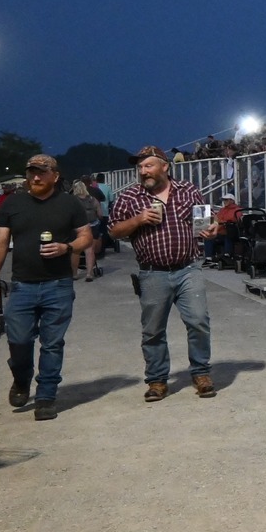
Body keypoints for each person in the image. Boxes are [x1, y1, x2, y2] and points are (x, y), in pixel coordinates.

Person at [0, 153, 95, 421]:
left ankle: (46, 396)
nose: (36, 177)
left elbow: (86, 237)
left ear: (55, 175)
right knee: (18, 341)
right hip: (22, 286)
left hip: (58, 285)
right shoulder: (12, 204)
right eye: (31, 172)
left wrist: (67, 247)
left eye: (42, 172)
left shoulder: (70, 204)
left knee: (52, 344)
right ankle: (21, 378)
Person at [109, 145, 222, 402]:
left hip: (188, 268)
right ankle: (157, 380)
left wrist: (213, 227)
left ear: (164, 166)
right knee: (153, 330)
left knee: (198, 321)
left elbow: (207, 219)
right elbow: (113, 231)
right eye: (139, 167)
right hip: (152, 273)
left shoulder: (188, 190)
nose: (143, 171)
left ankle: (201, 373)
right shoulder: (130, 197)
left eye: (148, 166)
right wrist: (138, 220)